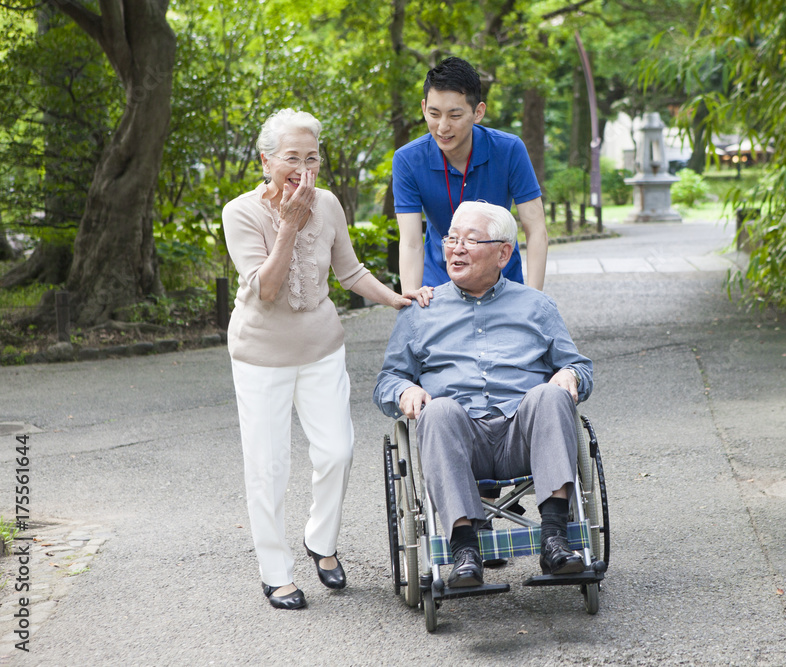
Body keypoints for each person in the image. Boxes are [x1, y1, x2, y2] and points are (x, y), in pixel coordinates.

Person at [224, 108, 433, 610]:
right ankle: (275, 573)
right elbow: (268, 290)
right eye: (290, 157)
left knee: (337, 450)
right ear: (265, 160)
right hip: (261, 356)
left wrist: (398, 298)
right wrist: (289, 225)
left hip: (321, 348)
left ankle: (320, 541)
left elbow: (351, 272)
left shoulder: (330, 204)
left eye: (311, 157)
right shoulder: (241, 213)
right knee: (268, 467)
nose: (302, 167)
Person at [373, 201, 593, 588]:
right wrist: (405, 389)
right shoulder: (420, 311)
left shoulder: (536, 306)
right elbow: (387, 381)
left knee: (551, 395)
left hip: (522, 434)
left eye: (470, 241)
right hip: (458, 438)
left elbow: (580, 366)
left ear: (503, 253)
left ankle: (555, 538)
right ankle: (464, 552)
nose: (456, 248)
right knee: (437, 410)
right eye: (451, 239)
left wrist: (570, 376)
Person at [392, 56, 548, 294]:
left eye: (454, 116)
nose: (443, 127)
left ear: (478, 112)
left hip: (503, 282)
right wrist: (410, 299)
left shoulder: (509, 149)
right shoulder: (407, 160)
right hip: (439, 284)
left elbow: (535, 229)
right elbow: (411, 242)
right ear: (424, 108)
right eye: (434, 114)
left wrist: (535, 297)